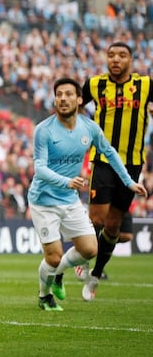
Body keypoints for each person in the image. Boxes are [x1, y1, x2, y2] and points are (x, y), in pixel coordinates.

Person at [28, 78, 146, 311]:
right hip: (44, 201)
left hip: (69, 200)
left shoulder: (89, 127)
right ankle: (44, 296)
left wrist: (129, 181)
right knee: (52, 257)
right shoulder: (44, 130)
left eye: (69, 94)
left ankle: (58, 274)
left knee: (90, 250)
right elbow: (39, 168)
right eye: (59, 94)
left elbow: (109, 152)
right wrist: (67, 181)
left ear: (80, 99)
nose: (63, 99)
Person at [76, 42, 153, 298]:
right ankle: (83, 257)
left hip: (132, 163)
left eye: (121, 55)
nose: (115, 59)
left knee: (113, 226)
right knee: (96, 218)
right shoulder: (94, 85)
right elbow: (74, 106)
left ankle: (96, 274)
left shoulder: (146, 85)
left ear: (131, 59)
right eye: (111, 55)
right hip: (103, 160)